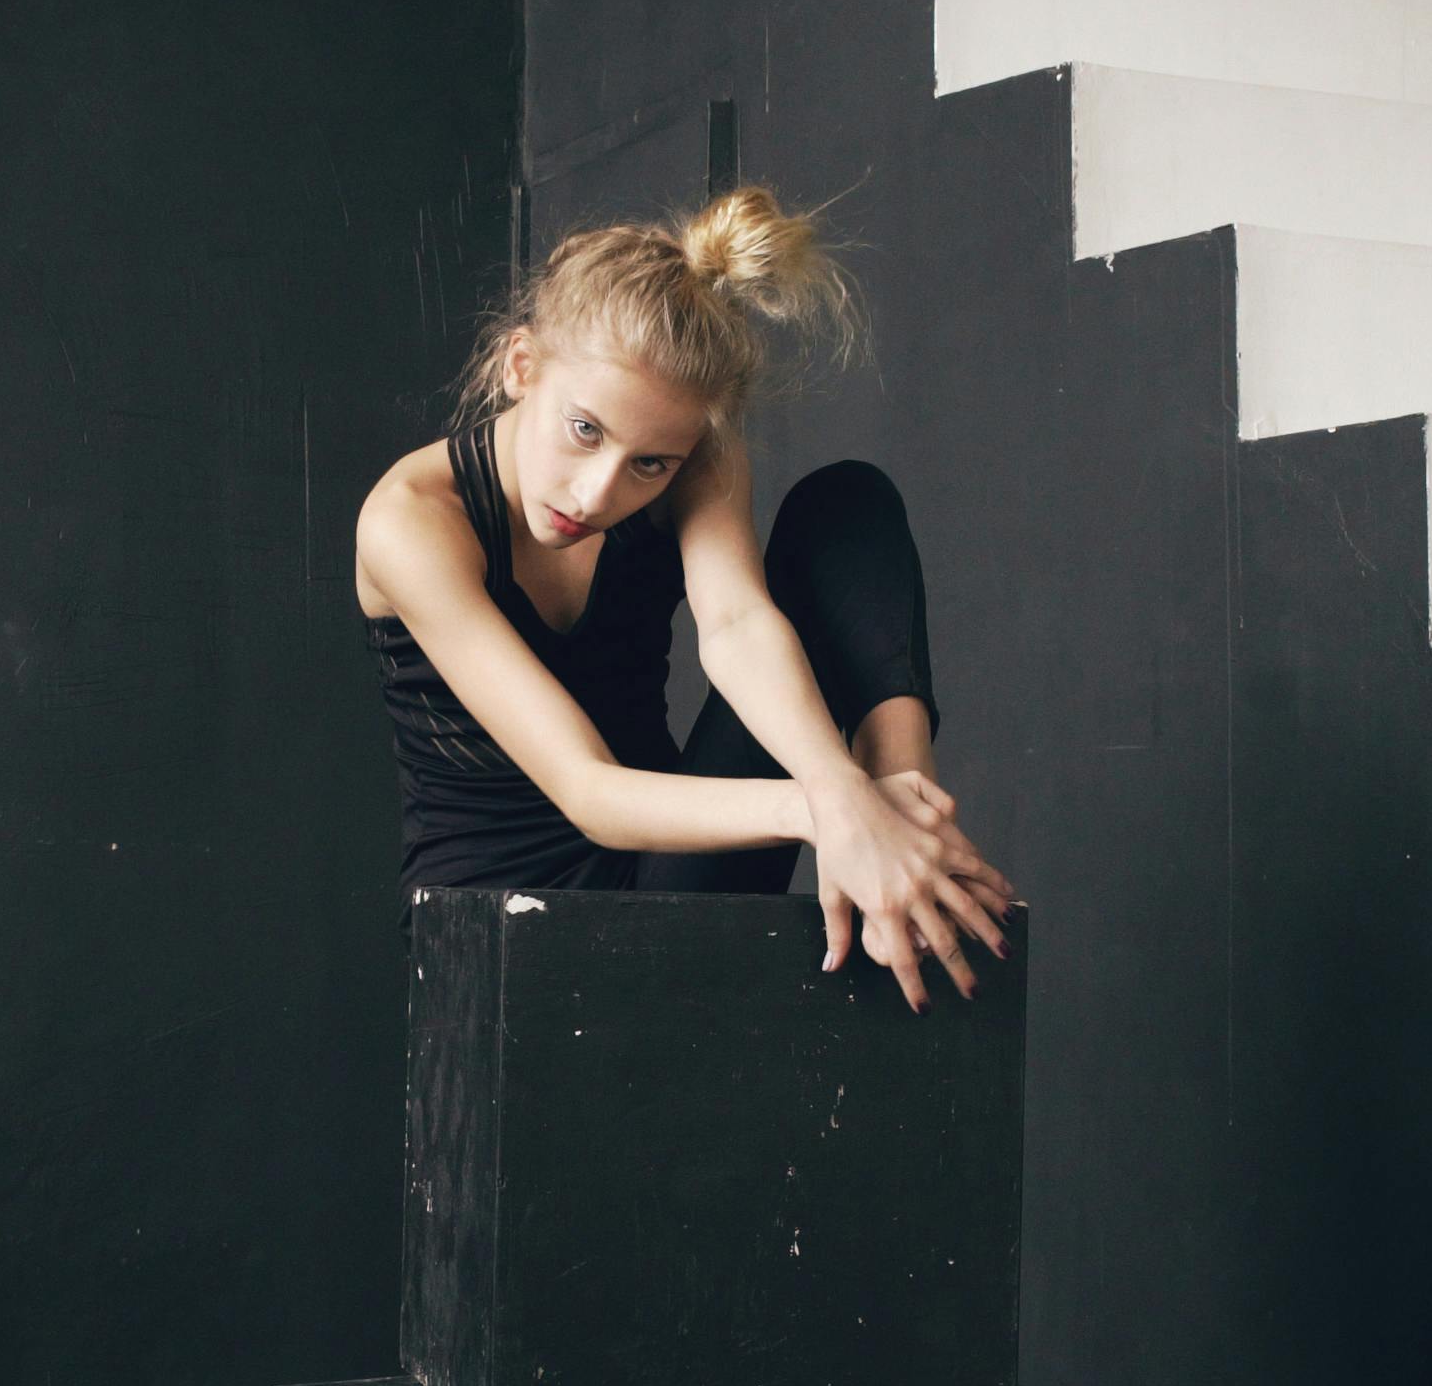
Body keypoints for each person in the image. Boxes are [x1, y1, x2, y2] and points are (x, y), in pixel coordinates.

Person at [354, 186, 1016, 1011]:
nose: (597, 493)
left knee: (848, 503)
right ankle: (882, 831)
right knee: (835, 797)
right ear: (520, 367)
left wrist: (859, 798)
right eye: (585, 430)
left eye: (650, 465)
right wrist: (827, 807)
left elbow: (738, 626)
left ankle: (909, 830)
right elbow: (588, 789)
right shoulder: (412, 521)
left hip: (673, 869)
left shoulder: (693, 445)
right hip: (503, 939)